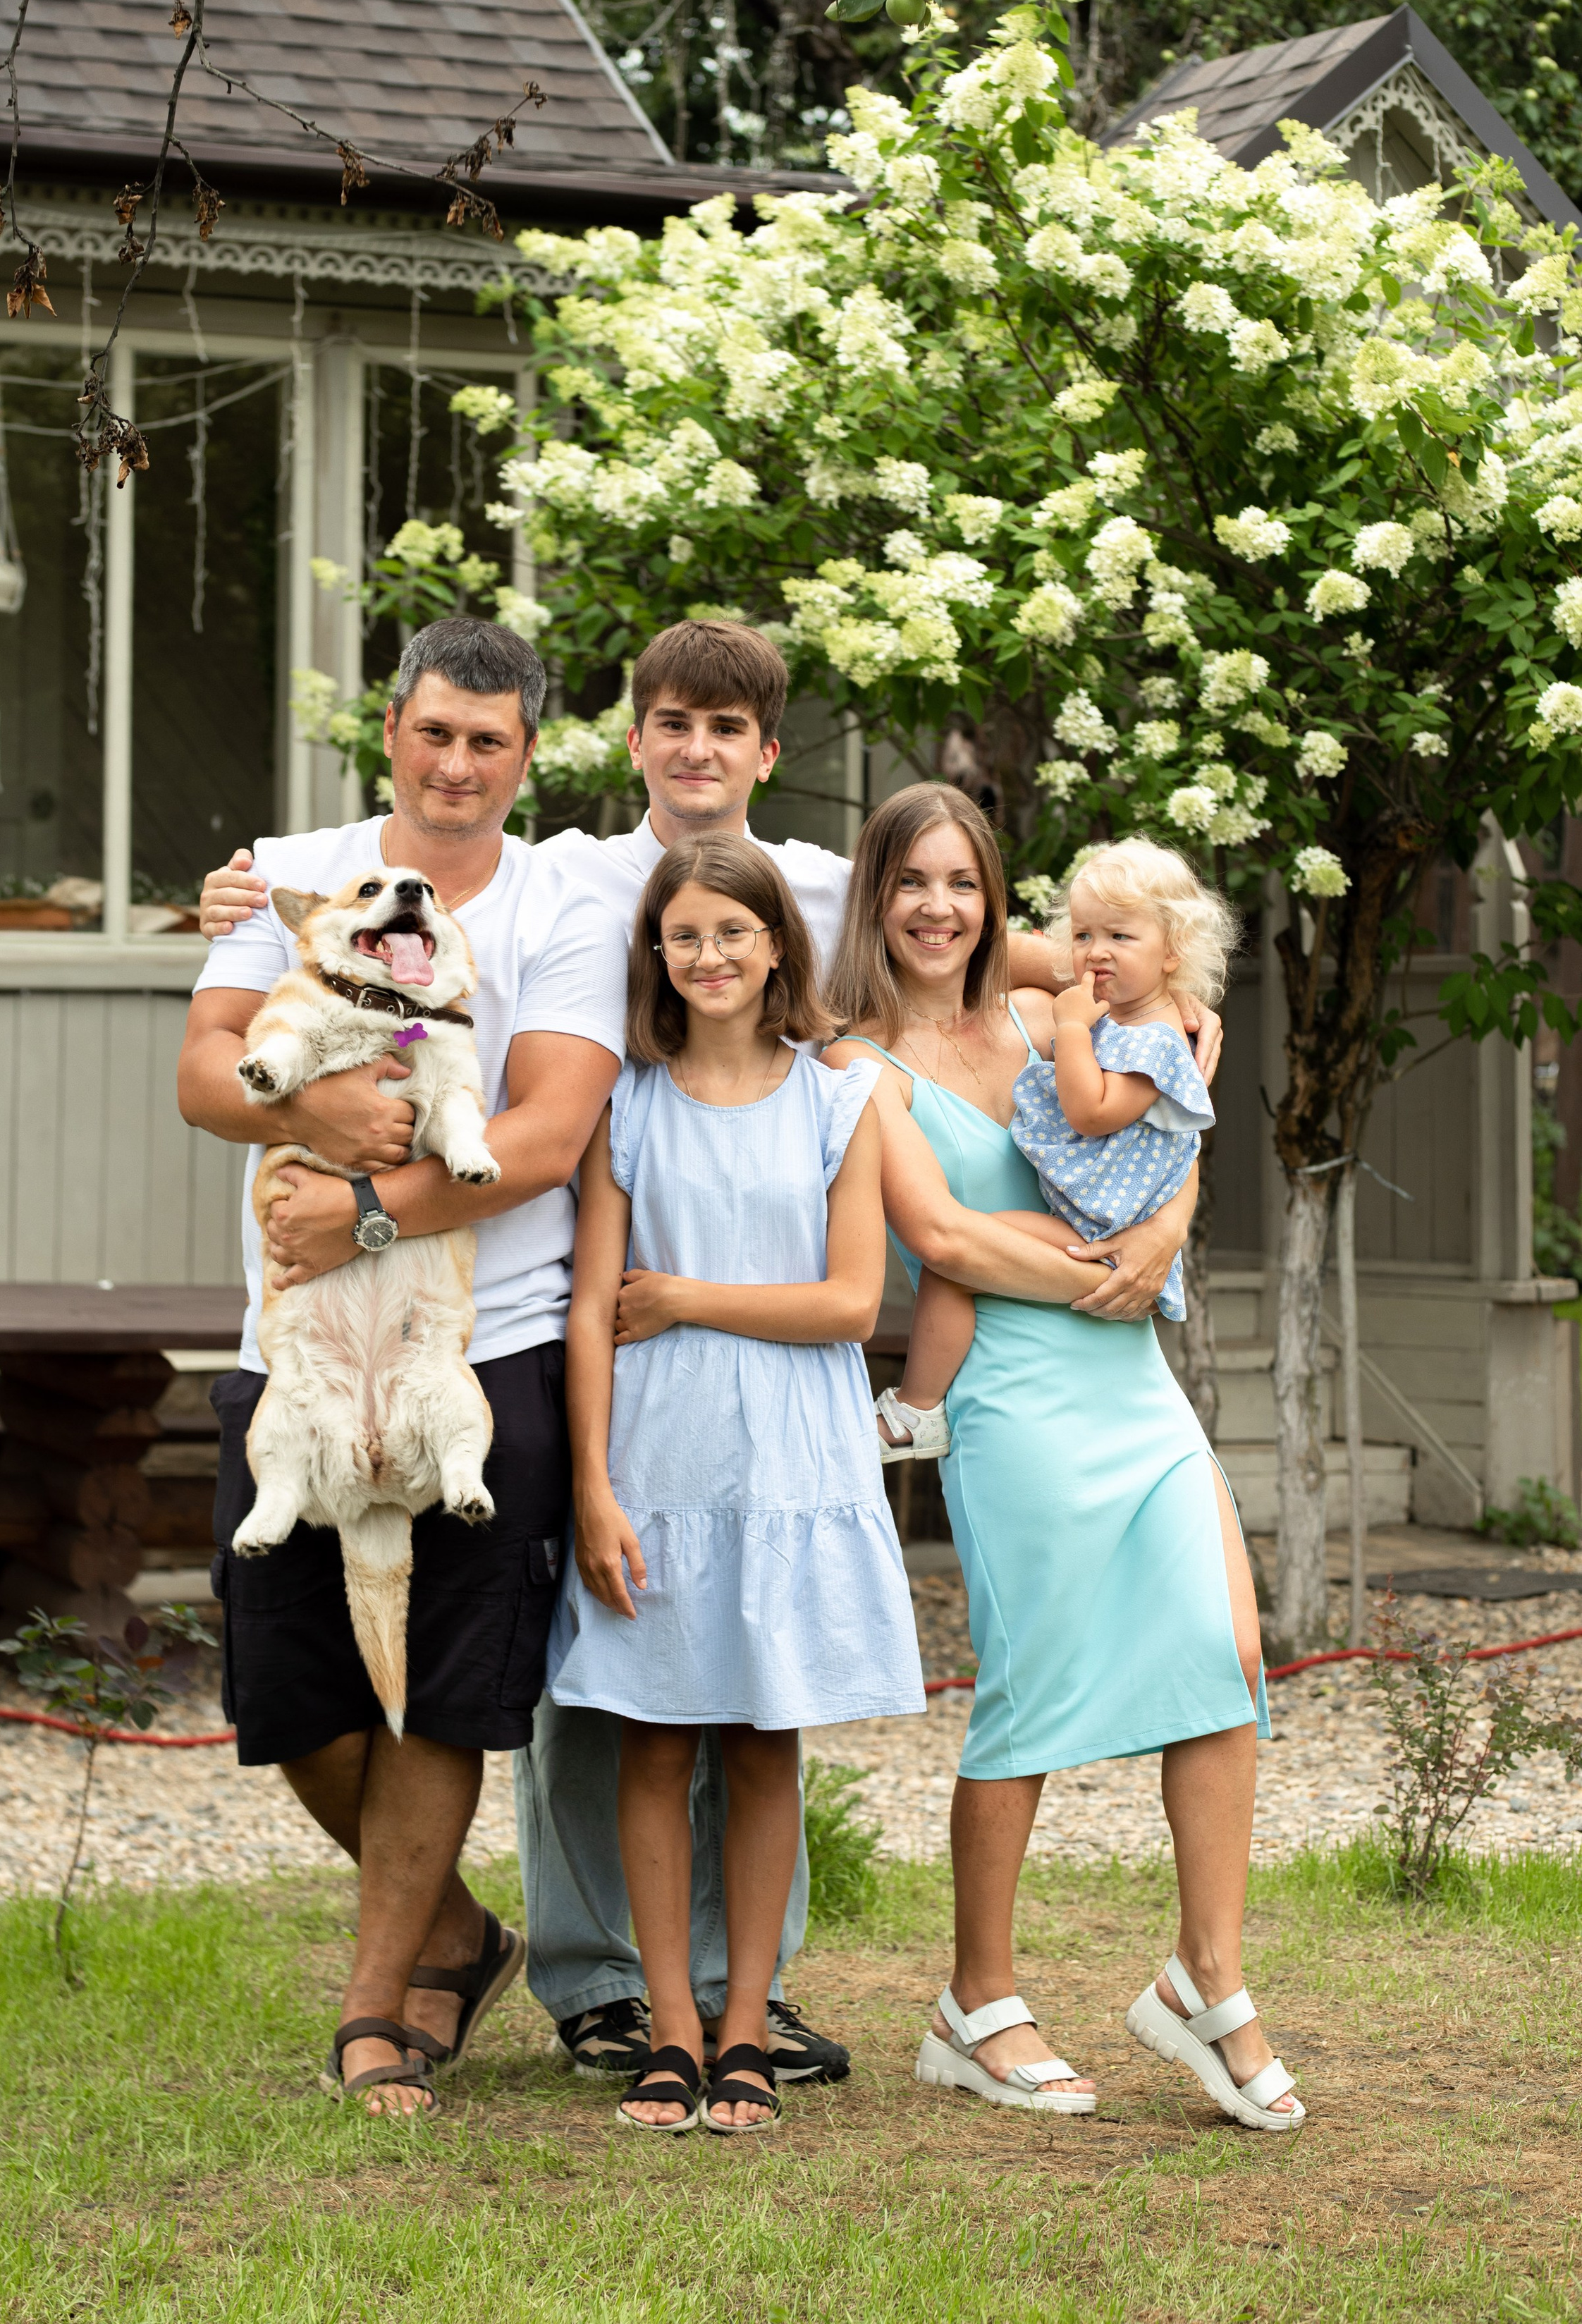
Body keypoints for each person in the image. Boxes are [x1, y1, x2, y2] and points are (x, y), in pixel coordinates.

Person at [197, 616, 1217, 2088]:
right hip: (584, 1306)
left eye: (725, 731)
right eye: (671, 724)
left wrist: (1166, 1017)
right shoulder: (564, 874)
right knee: (591, 1690)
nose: (696, 752)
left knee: (751, 1680)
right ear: (627, 743)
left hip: (670, 1327)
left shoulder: (822, 885)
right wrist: (232, 892)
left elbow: (999, 939)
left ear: (763, 753)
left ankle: (746, 1993)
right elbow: (306, 938)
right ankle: (594, 1976)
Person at [177, 616, 627, 2120]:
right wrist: (313, 1129)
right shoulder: (292, 870)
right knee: (292, 1690)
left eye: (486, 742)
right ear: (392, 730)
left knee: (439, 1691)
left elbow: (549, 1132)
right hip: (296, 1347)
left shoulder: (559, 900)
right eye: (433, 733)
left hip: (474, 1347)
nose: (455, 765)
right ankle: (447, 1930)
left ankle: (382, 2013)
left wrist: (368, 1208)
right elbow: (206, 1070)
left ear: (525, 753)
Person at [824, 783, 1303, 2132]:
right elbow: (953, 1245)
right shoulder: (858, 1065)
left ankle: (1206, 1978)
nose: (937, 907)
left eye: (963, 882)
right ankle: (977, 2003)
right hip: (1011, 1394)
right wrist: (1120, 1260)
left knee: (1229, 1650)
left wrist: (1173, 1226)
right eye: (910, 883)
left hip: (1130, 1378)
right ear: (876, 899)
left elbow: (1173, 1119)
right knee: (1029, 1690)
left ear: (994, 902)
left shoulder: (1054, 1015)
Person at [551, 836, 923, 2135]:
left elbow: (851, 1303)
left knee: (766, 1747)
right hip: (658, 1461)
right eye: (684, 936)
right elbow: (596, 1305)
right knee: (651, 1749)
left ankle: (750, 2026)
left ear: (779, 946)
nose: (709, 956)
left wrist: (691, 1297)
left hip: (790, 1459)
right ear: (657, 956)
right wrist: (593, 1488)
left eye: (733, 932)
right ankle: (667, 2028)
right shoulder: (628, 1109)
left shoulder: (839, 1101)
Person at [878, 836, 1227, 1455]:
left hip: (1099, 1228)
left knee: (953, 1267)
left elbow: (1093, 1114)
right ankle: (920, 1406)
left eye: (1120, 938)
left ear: (1173, 951)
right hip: (1093, 1234)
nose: (1097, 953)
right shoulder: (1126, 1022)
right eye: (1085, 936)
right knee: (955, 1258)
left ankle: (917, 1407)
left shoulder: (1150, 1039)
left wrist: (1069, 1026)